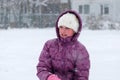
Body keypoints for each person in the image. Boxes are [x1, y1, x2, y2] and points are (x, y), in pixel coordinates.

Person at [36, 10, 90, 80]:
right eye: (61, 27)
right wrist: (49, 77)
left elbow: (82, 76)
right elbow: (42, 68)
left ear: (74, 30)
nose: (63, 31)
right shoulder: (49, 45)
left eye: (67, 28)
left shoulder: (80, 50)